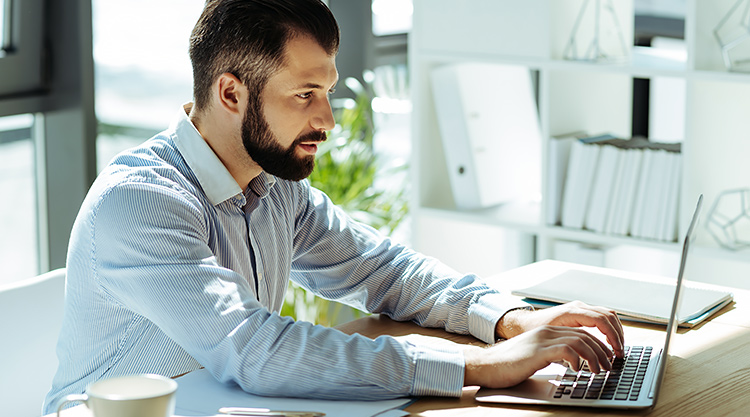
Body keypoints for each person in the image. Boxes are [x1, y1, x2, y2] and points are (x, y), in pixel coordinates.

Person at [43, 0, 623, 413]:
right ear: (229, 93)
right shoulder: (142, 203)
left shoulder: (273, 184)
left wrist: (510, 321)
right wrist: (479, 366)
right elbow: (253, 349)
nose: (326, 120)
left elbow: (381, 269)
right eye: (304, 95)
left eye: (328, 92)